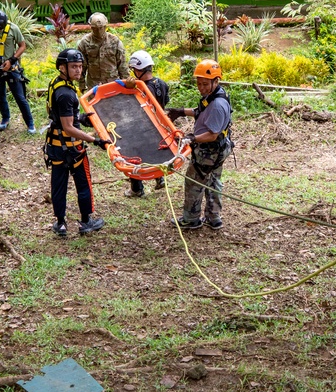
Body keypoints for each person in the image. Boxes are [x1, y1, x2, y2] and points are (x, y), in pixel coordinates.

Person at [43, 48, 108, 238]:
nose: (78, 71)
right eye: (74, 67)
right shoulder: (66, 94)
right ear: (62, 67)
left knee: (58, 183)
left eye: (80, 67)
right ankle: (86, 221)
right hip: (71, 148)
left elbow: (61, 115)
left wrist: (82, 118)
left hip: (56, 146)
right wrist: (95, 140)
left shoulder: (57, 84)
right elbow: (69, 127)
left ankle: (61, 223)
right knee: (83, 183)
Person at [165, 59, 232, 230]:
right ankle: (214, 217)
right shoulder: (214, 95)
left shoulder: (217, 105)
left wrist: (193, 138)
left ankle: (191, 218)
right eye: (199, 83)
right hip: (219, 149)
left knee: (194, 181)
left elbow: (212, 135)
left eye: (205, 84)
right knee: (213, 181)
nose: (201, 87)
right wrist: (180, 112)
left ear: (216, 81)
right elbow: (199, 112)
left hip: (210, 150)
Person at [0, 10, 36, 133]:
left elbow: (22, 45)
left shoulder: (13, 29)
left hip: (12, 68)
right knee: (0, 96)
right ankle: (5, 118)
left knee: (20, 97)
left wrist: (12, 60)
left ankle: (30, 123)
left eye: (0, 28)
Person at [125, 49, 170, 198]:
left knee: (133, 155)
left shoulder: (140, 88)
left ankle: (136, 188)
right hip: (159, 126)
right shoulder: (161, 84)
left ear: (139, 70)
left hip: (143, 127)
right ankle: (159, 178)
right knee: (155, 152)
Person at [77, 12, 131, 91]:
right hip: (94, 86)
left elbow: (122, 65)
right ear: (91, 28)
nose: (98, 31)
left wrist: (126, 84)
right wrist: (82, 86)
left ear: (105, 27)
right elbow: (81, 66)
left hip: (113, 84)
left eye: (101, 28)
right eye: (95, 28)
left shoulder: (115, 41)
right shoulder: (85, 43)